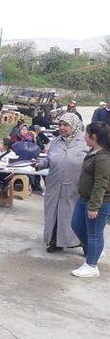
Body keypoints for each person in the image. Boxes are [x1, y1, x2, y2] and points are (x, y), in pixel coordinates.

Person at [35, 113, 87, 253]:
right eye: (60, 125)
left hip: (74, 187)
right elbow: (50, 160)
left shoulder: (84, 143)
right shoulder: (56, 141)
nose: (62, 128)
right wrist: (42, 163)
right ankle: (55, 242)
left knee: (72, 216)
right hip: (54, 185)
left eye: (66, 125)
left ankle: (81, 243)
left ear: (74, 126)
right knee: (54, 214)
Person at [70, 122, 110, 278]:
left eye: (86, 134)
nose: (84, 137)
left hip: (98, 202)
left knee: (94, 233)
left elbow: (101, 182)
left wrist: (94, 206)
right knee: (76, 225)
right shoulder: (94, 152)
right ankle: (96, 252)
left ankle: (91, 265)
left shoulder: (103, 158)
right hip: (84, 198)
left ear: (94, 136)